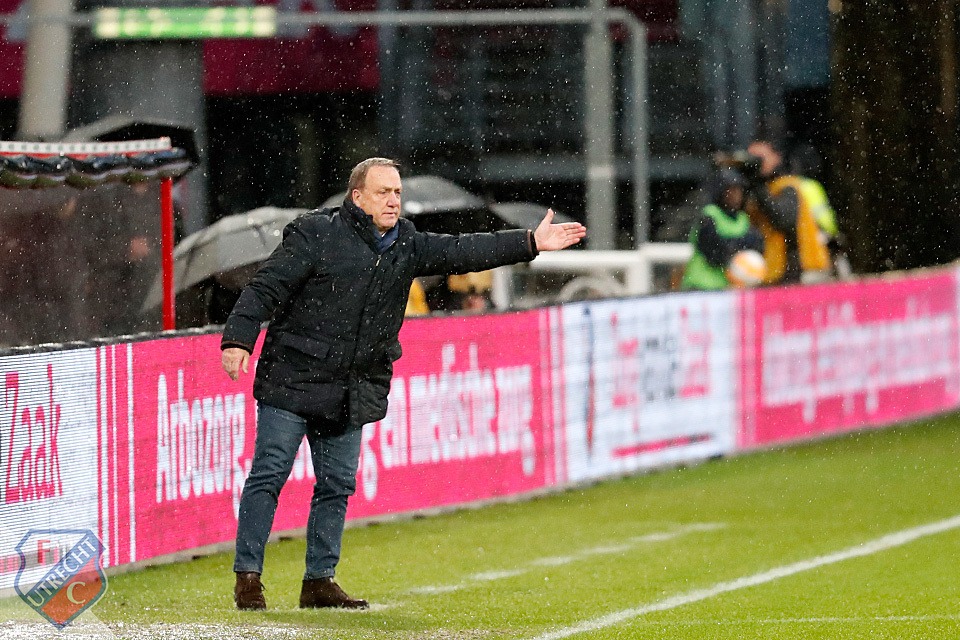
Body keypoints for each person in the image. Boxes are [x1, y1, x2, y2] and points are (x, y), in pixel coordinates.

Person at [220, 157, 586, 611]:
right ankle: (248, 577)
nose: (393, 200)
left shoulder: (406, 242)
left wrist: (529, 242)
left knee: (337, 484)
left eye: (396, 192)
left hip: (350, 386)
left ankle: (319, 580)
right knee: (270, 474)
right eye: (383, 192)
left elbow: (463, 250)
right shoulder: (315, 234)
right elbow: (264, 288)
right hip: (292, 376)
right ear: (357, 197)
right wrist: (238, 339)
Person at [741, 140, 835, 284]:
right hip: (772, 271)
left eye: (760, 158)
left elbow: (784, 220)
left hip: (802, 270)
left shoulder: (787, 185)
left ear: (776, 157)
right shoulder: (757, 190)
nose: (755, 163)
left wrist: (758, 185)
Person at [681, 168, 764, 290]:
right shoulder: (709, 215)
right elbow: (713, 251)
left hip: (727, 288)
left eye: (739, 191)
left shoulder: (742, 218)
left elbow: (758, 243)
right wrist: (740, 246)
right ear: (720, 192)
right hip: (700, 285)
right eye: (731, 191)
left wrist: (734, 247)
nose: (736, 196)